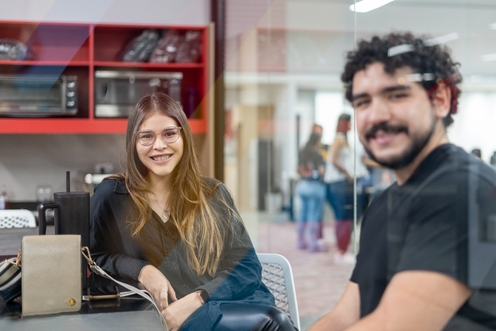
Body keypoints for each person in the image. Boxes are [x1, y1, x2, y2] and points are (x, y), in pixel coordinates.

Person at [309, 32, 496, 330]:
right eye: (363, 102)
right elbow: (345, 316)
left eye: (396, 95)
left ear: (440, 100)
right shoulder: (385, 201)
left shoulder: (466, 189)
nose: (376, 115)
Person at [90, 92, 296, 331]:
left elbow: (247, 268)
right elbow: (95, 258)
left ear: (184, 137)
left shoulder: (213, 195)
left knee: (273, 321)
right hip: (158, 321)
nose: (159, 145)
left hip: (224, 306)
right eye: (146, 136)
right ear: (133, 144)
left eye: (169, 134)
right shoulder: (112, 196)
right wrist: (143, 271)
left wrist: (198, 299)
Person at [323, 113, 368, 263]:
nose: (350, 126)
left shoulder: (346, 142)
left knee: (347, 218)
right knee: (343, 218)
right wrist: (348, 174)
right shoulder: (339, 140)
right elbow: (333, 160)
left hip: (343, 185)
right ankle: (341, 252)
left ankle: (343, 250)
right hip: (339, 185)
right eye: (348, 123)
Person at [295, 132, 326, 252]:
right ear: (317, 141)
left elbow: (298, 169)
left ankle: (300, 241)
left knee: (302, 214)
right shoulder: (317, 155)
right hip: (315, 186)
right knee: (313, 215)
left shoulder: (302, 152)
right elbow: (322, 172)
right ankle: (313, 243)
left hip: (302, 185)